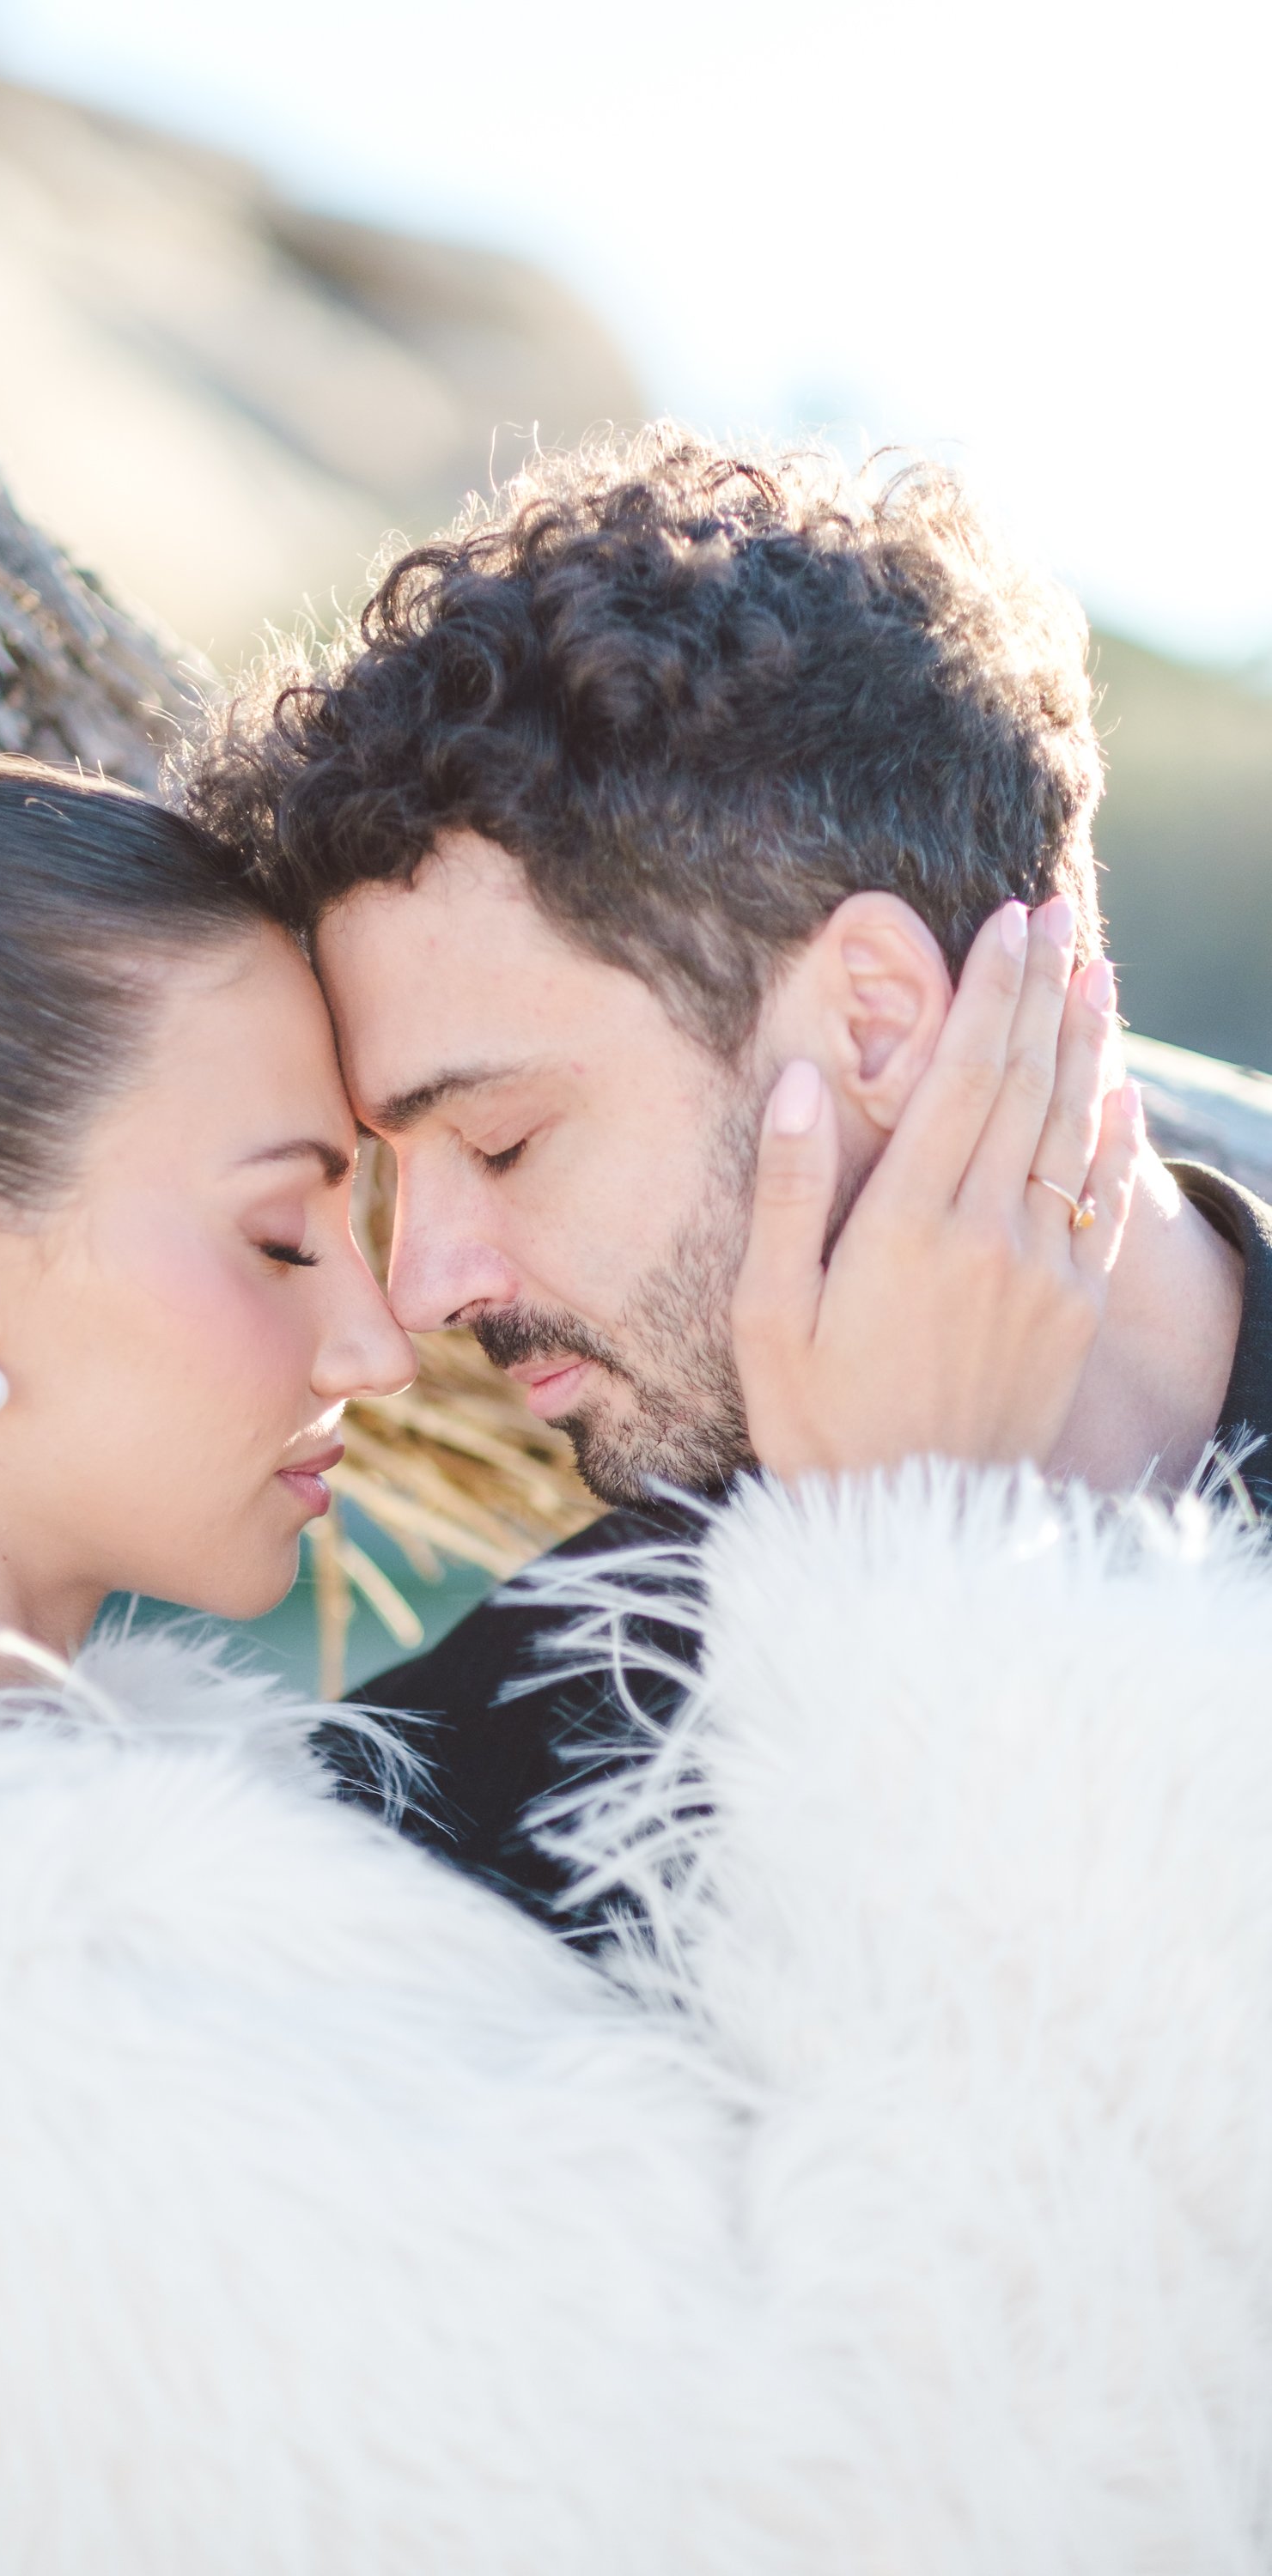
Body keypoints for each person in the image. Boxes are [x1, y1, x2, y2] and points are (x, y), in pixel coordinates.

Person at [0, 752, 1265, 2568]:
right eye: (282, 1232)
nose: (380, 1337)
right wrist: (919, 1573)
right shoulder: (10, 2018)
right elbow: (1005, 2479)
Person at [184, 428, 1270, 1921]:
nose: (425, 1286)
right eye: (393, 1173)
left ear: (875, 1022)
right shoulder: (440, 1824)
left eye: (501, 1140)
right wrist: (892, 1549)